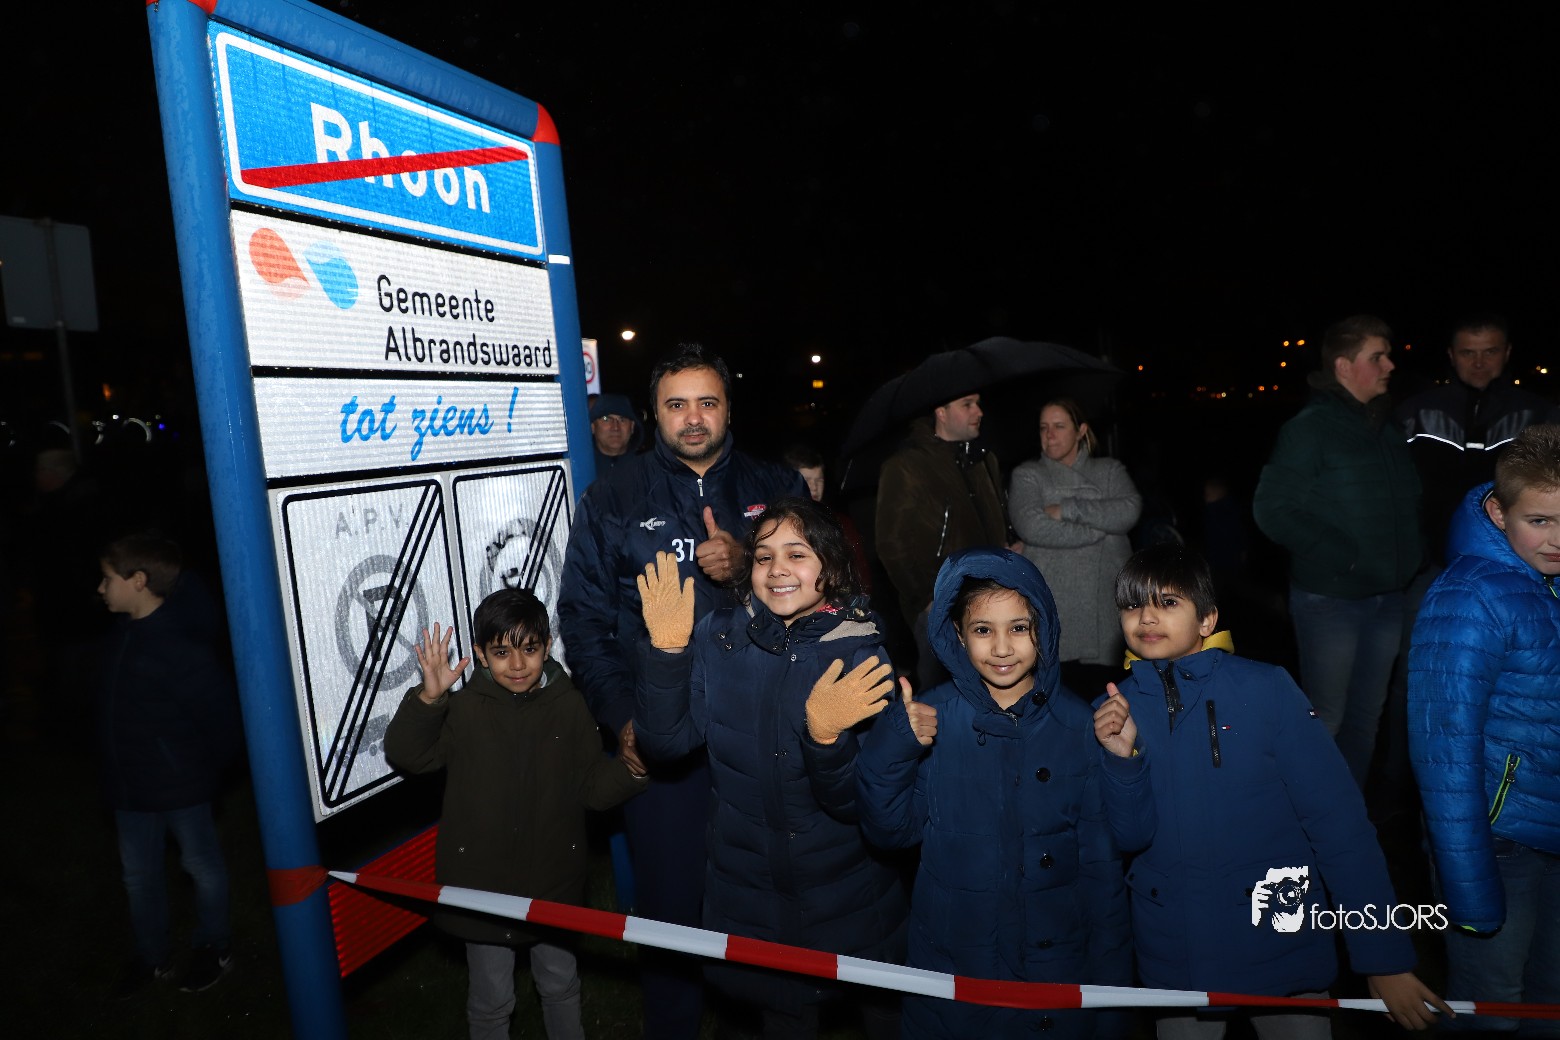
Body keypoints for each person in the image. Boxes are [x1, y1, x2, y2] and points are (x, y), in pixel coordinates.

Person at [1093, 544, 1450, 1040]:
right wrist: (1122, 759)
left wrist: (1383, 957)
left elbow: (1340, 828)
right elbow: (1129, 838)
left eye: (1168, 602)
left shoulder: (1267, 691)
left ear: (1207, 619)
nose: (1147, 616)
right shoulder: (1113, 711)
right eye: (1133, 604)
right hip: (1176, 953)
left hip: (1281, 940)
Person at [559, 342, 805, 1039]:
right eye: (676, 404)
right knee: (670, 912)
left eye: (706, 402)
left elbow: (826, 594)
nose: (693, 418)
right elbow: (583, 619)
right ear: (654, 414)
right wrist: (622, 719)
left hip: (765, 736)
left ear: (728, 408)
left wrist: (748, 563)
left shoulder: (777, 485)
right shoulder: (613, 497)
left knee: (770, 904)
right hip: (662, 744)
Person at [847, 547, 1152, 1039]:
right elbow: (889, 831)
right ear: (958, 636)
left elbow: (1109, 862)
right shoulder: (934, 721)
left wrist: (1122, 759)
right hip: (957, 961)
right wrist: (892, 747)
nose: (1003, 648)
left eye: (1019, 627)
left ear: (1043, 629)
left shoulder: (1080, 724)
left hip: (1056, 963)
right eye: (983, 630)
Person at [633, 497, 906, 1039]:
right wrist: (666, 652)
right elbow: (665, 744)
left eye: (797, 554)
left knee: (885, 1016)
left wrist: (825, 737)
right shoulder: (720, 639)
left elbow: (862, 803)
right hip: (750, 890)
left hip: (847, 893)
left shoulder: (859, 656)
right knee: (783, 1016)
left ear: (830, 567)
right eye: (764, 556)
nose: (778, 568)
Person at [384, 589, 647, 1040]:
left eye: (529, 649)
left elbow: (591, 788)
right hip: (482, 887)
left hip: (554, 882)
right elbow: (408, 754)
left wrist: (631, 770)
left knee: (560, 984)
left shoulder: (569, 705)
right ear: (481, 655)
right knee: (492, 1001)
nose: (518, 664)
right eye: (502, 652)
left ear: (547, 646)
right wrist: (429, 699)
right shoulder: (464, 709)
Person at [1408, 424, 1560, 1035]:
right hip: (1498, 841)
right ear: (1498, 512)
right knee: (1491, 1007)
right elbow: (1443, 752)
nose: (1557, 539)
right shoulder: (1469, 597)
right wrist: (1467, 886)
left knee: (1550, 1003)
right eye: (1539, 521)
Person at [1252, 314, 1422, 786]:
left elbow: (1406, 503)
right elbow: (1271, 508)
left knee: (1366, 719)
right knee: (1326, 719)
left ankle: (1350, 816)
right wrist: (1342, 556)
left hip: (1388, 597)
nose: (1390, 365)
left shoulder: (1384, 427)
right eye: (1377, 356)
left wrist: (1413, 554)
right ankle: (1304, 818)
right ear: (1345, 366)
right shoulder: (1310, 429)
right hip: (1331, 601)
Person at [95, 531, 242, 1000]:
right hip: (129, 789)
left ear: (138, 581)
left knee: (201, 866)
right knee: (138, 876)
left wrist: (197, 773)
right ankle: (152, 955)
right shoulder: (121, 636)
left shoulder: (180, 648)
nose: (100, 588)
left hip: (181, 788)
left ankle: (214, 946)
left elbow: (220, 721)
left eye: (107, 579)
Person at [875, 391, 1012, 689]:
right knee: (942, 699)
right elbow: (891, 543)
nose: (979, 411)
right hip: (942, 607)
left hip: (993, 599)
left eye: (978, 403)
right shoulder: (907, 466)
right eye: (967, 404)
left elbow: (998, 517)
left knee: (994, 692)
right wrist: (926, 598)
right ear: (941, 411)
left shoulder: (983, 459)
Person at [1008, 398, 1142, 695]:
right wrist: (1098, 528)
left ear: (1081, 430)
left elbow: (1129, 511)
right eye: (1043, 427)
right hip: (1054, 605)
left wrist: (1067, 508)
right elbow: (1032, 526)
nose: (1049, 435)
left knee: (1108, 703)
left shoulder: (1109, 470)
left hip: (1104, 607)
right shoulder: (1028, 474)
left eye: (1059, 426)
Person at [782, 441, 872, 595]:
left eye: (819, 480)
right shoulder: (776, 524)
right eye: (807, 480)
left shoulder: (839, 522)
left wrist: (861, 598)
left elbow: (859, 569)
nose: (814, 487)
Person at [589, 392, 644, 478]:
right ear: (593, 427)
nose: (615, 427)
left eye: (622, 419)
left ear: (632, 427)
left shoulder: (646, 472)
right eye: (606, 419)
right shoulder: (580, 470)